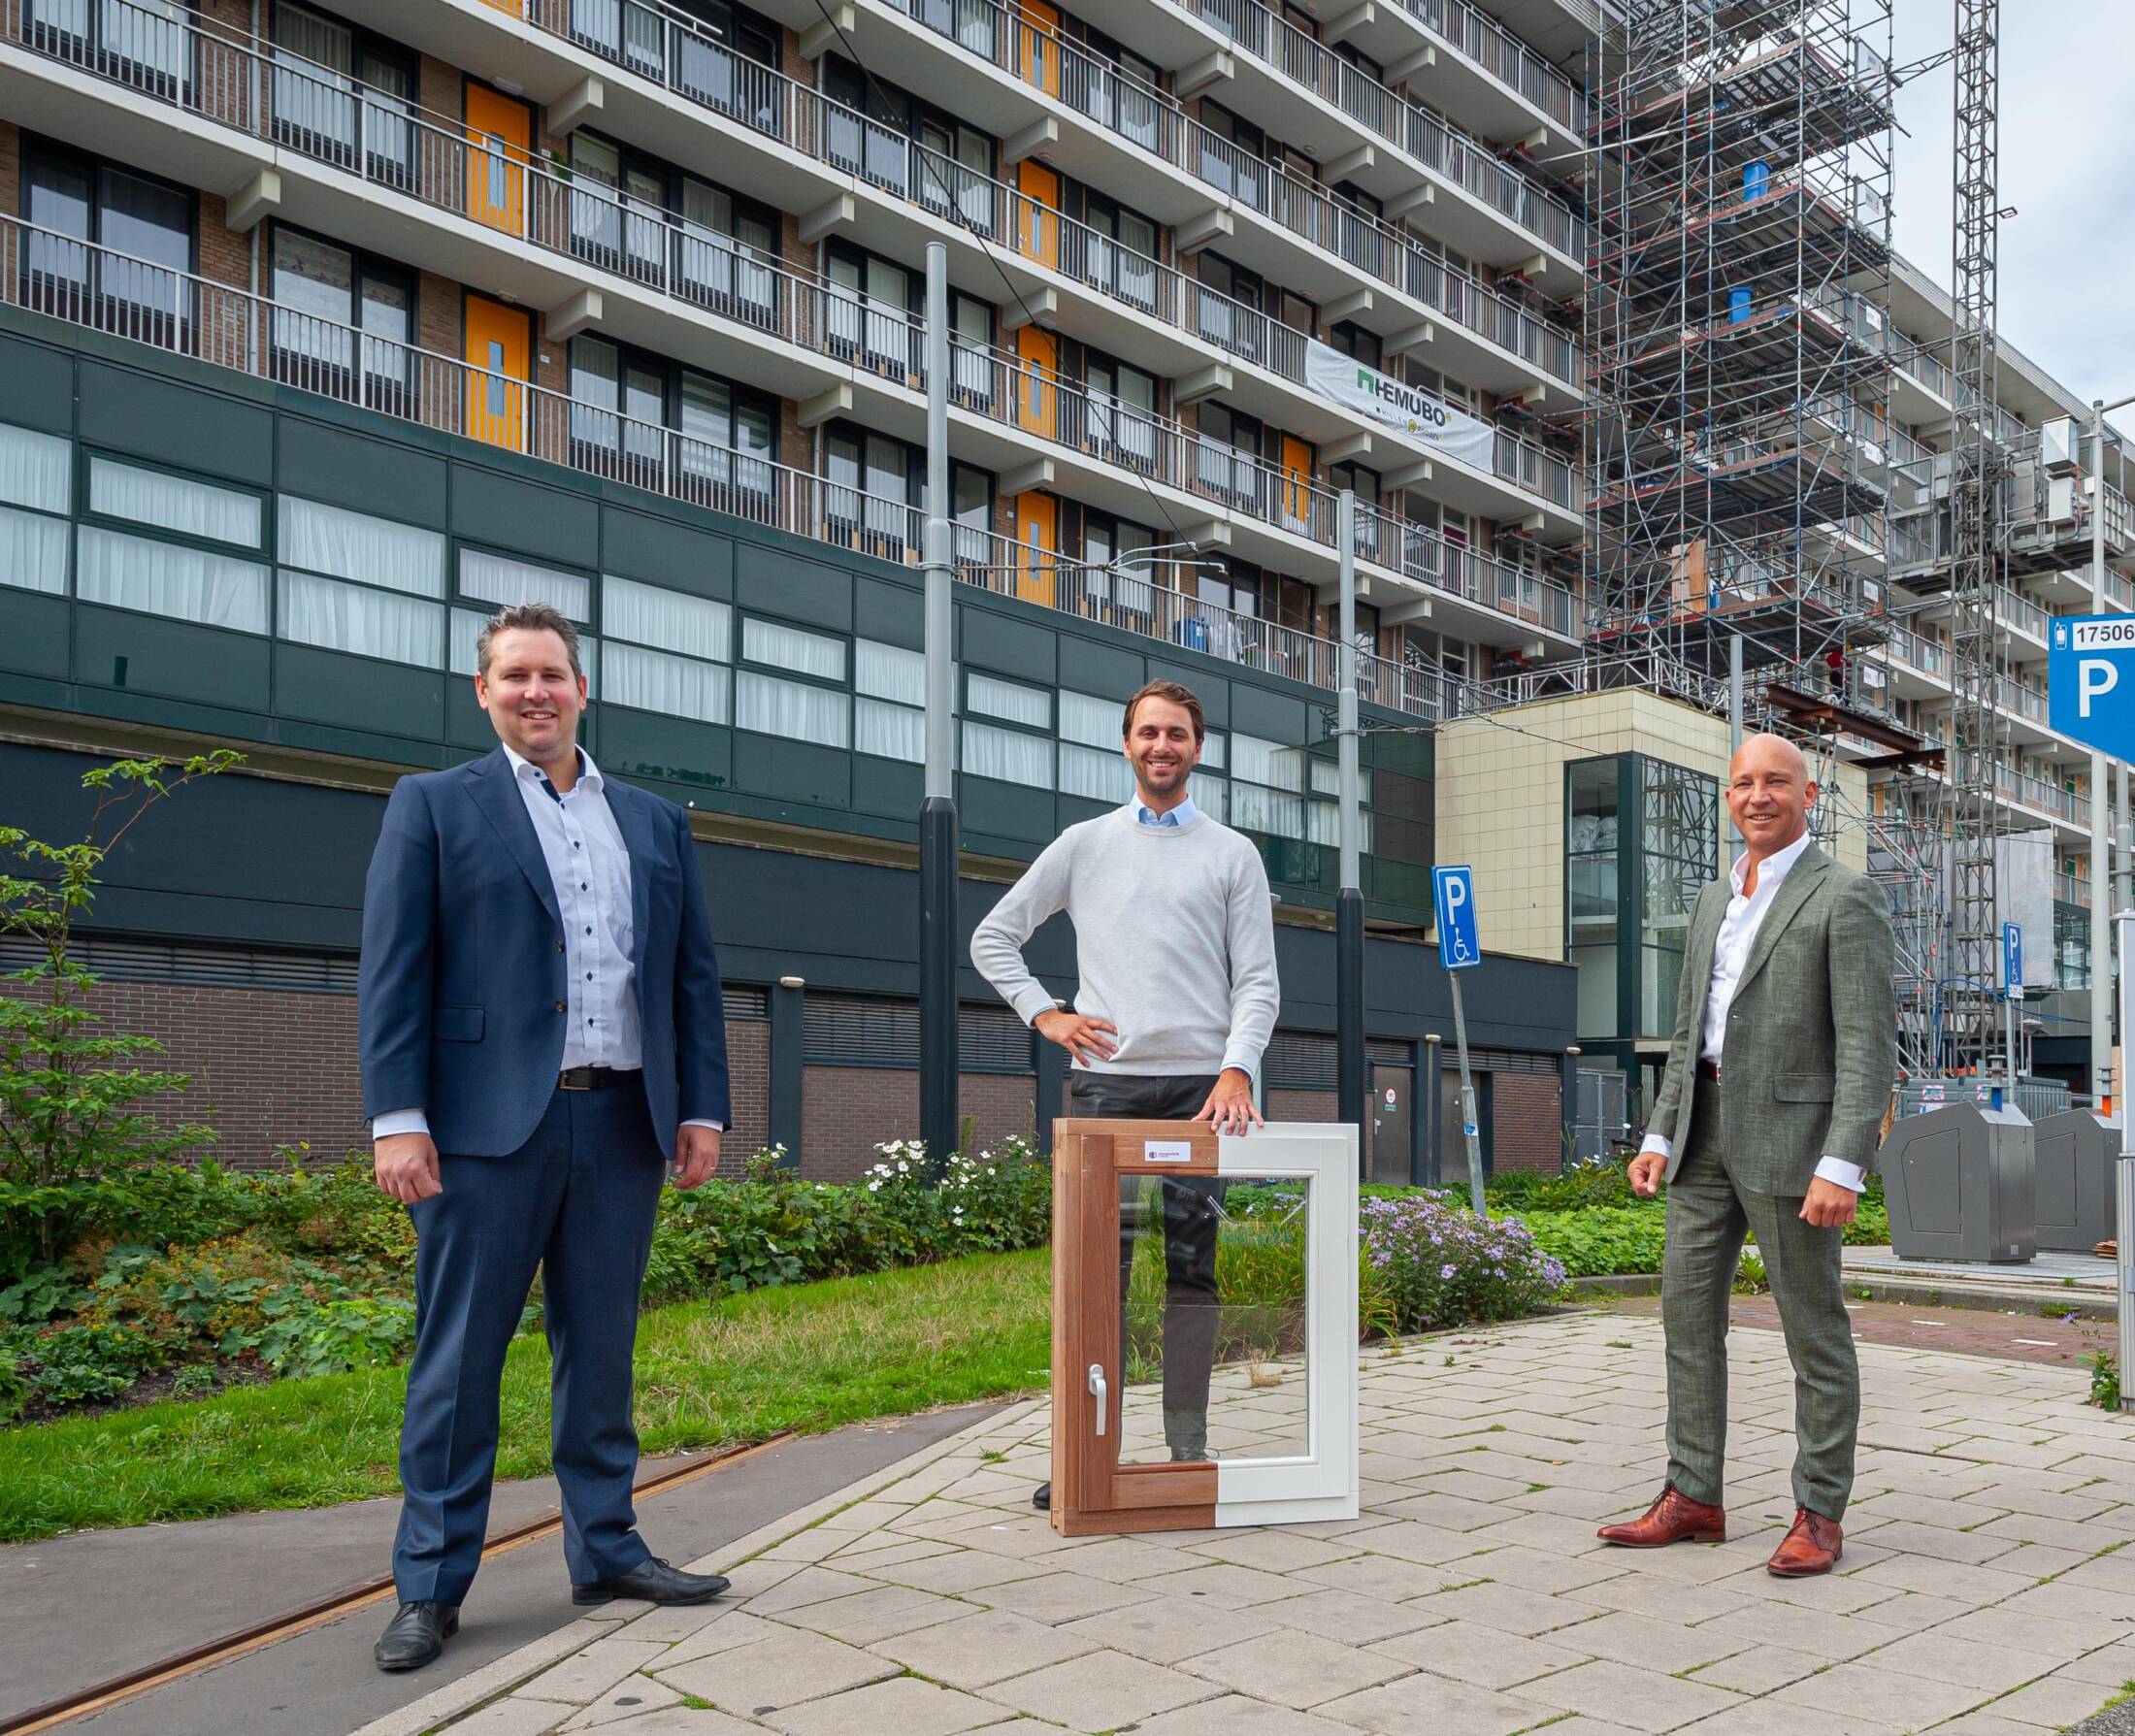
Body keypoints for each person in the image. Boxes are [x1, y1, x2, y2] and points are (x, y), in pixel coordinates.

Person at [360, 602, 733, 1671]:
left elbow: (687, 978)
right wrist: (399, 1120)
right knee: (458, 1365)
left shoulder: (655, 820)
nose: (536, 691)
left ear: (582, 689)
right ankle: (430, 1584)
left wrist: (699, 1108)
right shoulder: (433, 805)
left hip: (623, 1121)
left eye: (552, 674)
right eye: (513, 675)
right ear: (484, 691)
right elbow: (395, 973)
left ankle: (607, 1547)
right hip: (482, 1130)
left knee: (601, 1353)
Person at [971, 679, 1279, 1513]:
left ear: (1198, 747)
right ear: (1126, 743)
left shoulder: (1232, 855)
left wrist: (1237, 1067)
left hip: (1200, 1093)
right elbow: (993, 935)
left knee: (1192, 1272)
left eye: (1176, 733)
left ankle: (1187, 1445)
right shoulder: (1083, 844)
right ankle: (1085, 1451)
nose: (1161, 746)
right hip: (1105, 1089)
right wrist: (1048, 1013)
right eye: (1147, 732)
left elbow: (1257, 980)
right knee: (1095, 1276)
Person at [1599, 732, 1894, 1577]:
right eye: (1742, 784)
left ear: (1809, 796)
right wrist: (1659, 1131)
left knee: (1814, 1331)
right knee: (1687, 1319)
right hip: (1702, 1136)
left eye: (1775, 782)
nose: (1757, 796)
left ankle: (1819, 1511)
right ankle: (1693, 1494)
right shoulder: (1711, 898)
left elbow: (1870, 1043)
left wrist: (1844, 1160)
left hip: (1797, 1144)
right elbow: (1690, 1026)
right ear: (1729, 799)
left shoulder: (1846, 895)